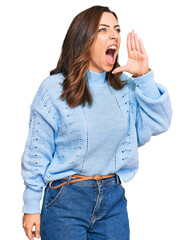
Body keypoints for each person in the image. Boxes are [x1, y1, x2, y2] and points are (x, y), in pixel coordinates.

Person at [21, 5, 172, 240]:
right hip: (65, 201)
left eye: (117, 29)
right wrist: (31, 205)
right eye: (103, 29)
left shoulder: (125, 88)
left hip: (112, 200)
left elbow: (160, 122)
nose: (114, 35)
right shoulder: (53, 89)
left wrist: (144, 76)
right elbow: (36, 152)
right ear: (84, 39)